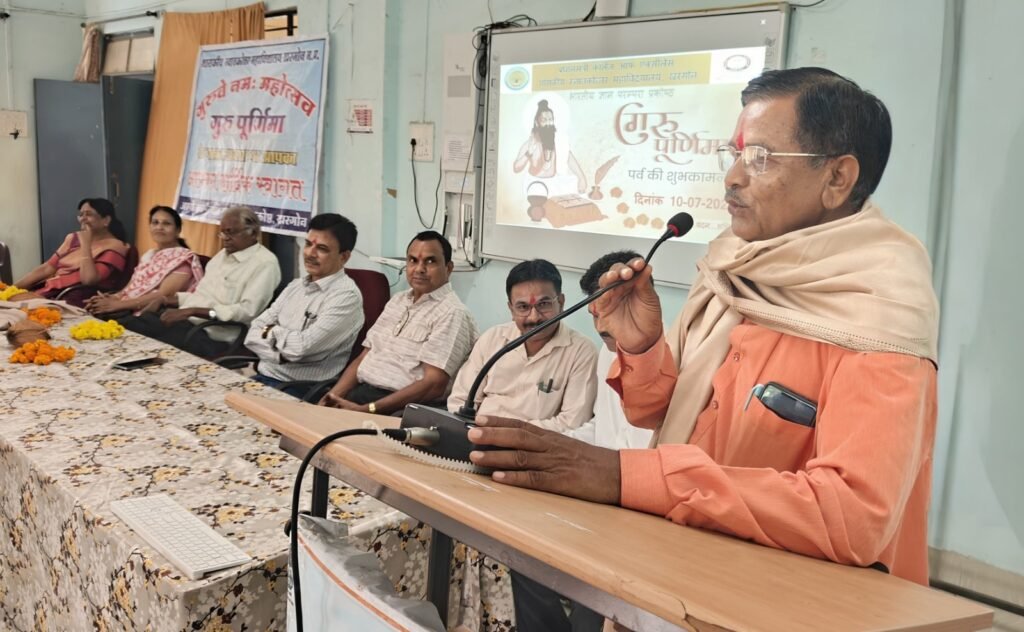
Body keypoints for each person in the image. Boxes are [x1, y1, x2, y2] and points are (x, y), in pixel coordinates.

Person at [468, 67, 940, 590]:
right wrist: (642, 349)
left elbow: (851, 518)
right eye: (733, 154)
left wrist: (625, 476)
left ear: (837, 178)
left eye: (760, 157)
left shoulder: (880, 313)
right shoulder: (733, 267)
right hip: (677, 568)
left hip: (788, 601)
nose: (733, 177)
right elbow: (662, 414)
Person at [320, 231, 477, 415]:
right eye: (413, 260)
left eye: (430, 261)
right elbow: (364, 357)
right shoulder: (398, 301)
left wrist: (369, 409)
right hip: (361, 395)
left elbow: (433, 385)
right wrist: (331, 398)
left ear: (448, 268)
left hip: (398, 409)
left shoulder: (452, 313)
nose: (419, 269)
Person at [448, 259, 597, 432]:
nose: (534, 317)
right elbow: (459, 401)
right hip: (477, 435)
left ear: (561, 303)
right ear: (511, 309)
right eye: (523, 307)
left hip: (534, 446)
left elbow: (573, 423)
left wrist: (506, 434)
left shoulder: (582, 351)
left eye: (543, 304)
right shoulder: (493, 339)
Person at [120, 206, 280, 357]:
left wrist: (192, 311)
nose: (225, 238)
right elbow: (200, 297)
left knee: (148, 349)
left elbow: (246, 312)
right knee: (124, 327)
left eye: (231, 233)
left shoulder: (264, 263)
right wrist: (164, 300)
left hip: (212, 334)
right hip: (187, 322)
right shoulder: (222, 256)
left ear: (253, 233)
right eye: (222, 233)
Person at [243, 214, 364, 396]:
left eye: (322, 248)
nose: (310, 253)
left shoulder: (346, 297)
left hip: (298, 389)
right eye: (308, 244)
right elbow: (253, 333)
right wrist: (282, 352)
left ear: (344, 257)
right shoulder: (296, 286)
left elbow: (302, 348)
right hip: (262, 377)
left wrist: (270, 332)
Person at [567, 251, 654, 450]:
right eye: (595, 315)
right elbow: (602, 429)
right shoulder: (608, 350)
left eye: (610, 313)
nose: (600, 328)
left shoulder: (673, 357)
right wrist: (549, 443)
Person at [85, 206, 203, 316]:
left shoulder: (183, 258)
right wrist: (111, 298)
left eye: (166, 223)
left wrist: (117, 305)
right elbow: (130, 288)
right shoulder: (149, 255)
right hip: (128, 308)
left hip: (153, 315)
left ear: (178, 230)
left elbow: (164, 295)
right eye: (155, 222)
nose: (159, 227)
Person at [14, 198, 130, 305]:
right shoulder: (73, 238)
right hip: (51, 290)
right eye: (81, 214)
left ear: (106, 220)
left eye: (89, 214)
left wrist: (85, 245)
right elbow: (47, 268)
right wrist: (13, 288)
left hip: (75, 296)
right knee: (11, 300)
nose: (83, 218)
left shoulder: (115, 247)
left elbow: (89, 280)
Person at [513, 98, 587, 194]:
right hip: (535, 183)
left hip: (554, 182)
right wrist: (529, 153)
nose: (548, 123)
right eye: (544, 120)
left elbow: (568, 157)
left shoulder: (558, 142)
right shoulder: (530, 144)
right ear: (537, 123)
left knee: (574, 182)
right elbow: (516, 168)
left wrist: (581, 177)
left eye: (550, 120)